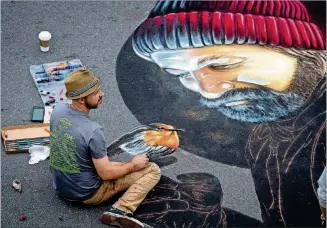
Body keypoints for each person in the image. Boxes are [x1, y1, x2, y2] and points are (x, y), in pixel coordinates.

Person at [49, 69, 161, 228]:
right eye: (95, 93)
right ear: (81, 100)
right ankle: (120, 211)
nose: (102, 94)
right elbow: (106, 174)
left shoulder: (58, 110)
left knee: (113, 164)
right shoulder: (93, 130)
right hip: (85, 193)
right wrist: (133, 165)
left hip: (60, 185)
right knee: (152, 169)